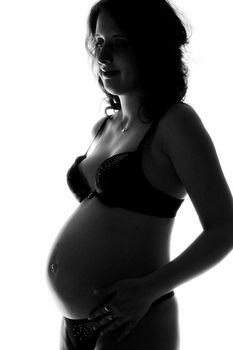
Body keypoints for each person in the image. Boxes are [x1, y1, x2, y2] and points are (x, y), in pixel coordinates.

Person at [46, 0, 233, 349]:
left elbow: (225, 228)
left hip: (134, 318)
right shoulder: (103, 127)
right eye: (99, 42)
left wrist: (149, 289)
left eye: (120, 42)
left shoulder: (175, 123)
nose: (104, 56)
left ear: (150, 47)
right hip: (75, 324)